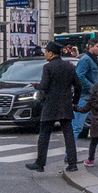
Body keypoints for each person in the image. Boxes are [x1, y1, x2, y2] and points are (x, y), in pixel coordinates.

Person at [29, 43, 81, 172]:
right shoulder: (69, 66)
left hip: (51, 105)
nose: (45, 54)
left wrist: (36, 86)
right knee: (68, 135)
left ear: (51, 53)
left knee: (44, 135)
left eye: (46, 52)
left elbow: (44, 86)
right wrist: (74, 101)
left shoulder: (48, 67)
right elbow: (78, 85)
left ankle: (40, 163)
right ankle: (72, 163)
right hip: (65, 104)